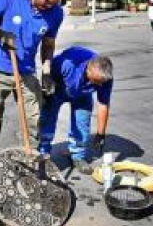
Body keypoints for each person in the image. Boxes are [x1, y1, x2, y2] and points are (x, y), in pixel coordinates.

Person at [0, 0, 65, 173]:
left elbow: (48, 44)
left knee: (34, 118)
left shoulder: (56, 13)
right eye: (46, 0)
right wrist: (0, 34)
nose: (49, 6)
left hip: (25, 71)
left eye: (54, 3)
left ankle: (30, 161)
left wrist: (47, 72)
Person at [38, 46, 114, 174]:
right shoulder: (67, 64)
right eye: (96, 82)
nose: (99, 86)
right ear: (88, 70)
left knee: (82, 123)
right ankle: (42, 153)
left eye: (101, 83)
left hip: (82, 94)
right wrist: (46, 89)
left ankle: (78, 156)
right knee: (47, 120)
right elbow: (47, 70)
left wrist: (101, 134)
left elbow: (103, 105)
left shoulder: (105, 78)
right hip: (58, 89)